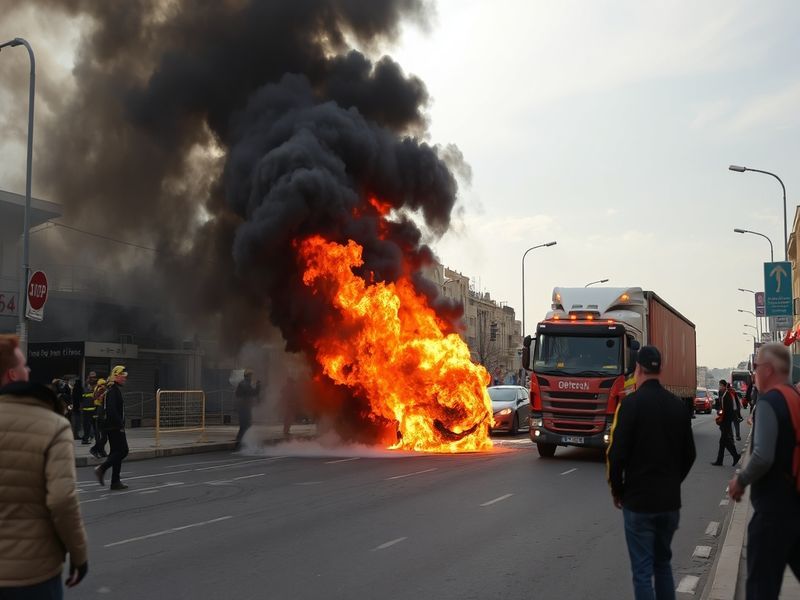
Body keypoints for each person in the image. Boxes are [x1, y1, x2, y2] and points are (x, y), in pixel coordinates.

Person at [0, 334, 89, 595]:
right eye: (24, 365)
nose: (29, 370)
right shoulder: (53, 425)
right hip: (32, 574)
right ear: (13, 375)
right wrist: (79, 554)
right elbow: (62, 500)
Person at [607, 345, 696, 600]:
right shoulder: (677, 407)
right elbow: (689, 454)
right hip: (669, 504)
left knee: (643, 571)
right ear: (661, 369)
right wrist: (672, 482)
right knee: (662, 564)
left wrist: (618, 490)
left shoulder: (631, 405)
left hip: (638, 503)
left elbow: (616, 454)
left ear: (638, 369)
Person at [728, 343, 800, 599]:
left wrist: (740, 480)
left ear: (768, 370)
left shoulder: (770, 402)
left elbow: (762, 455)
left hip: (772, 513)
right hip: (795, 507)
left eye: (755, 367)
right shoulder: (795, 398)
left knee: (760, 589)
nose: (753, 373)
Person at [94, 365, 129, 490]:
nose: (125, 378)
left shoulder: (112, 389)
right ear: (116, 376)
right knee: (123, 451)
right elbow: (112, 410)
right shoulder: (112, 390)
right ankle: (101, 469)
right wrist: (120, 425)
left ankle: (115, 481)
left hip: (111, 426)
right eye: (123, 376)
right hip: (114, 426)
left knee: (116, 452)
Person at [712, 380, 741, 466]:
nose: (720, 387)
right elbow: (721, 408)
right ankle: (732, 457)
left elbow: (728, 411)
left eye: (721, 385)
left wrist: (722, 420)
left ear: (725, 386)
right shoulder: (722, 395)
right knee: (724, 441)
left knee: (723, 441)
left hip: (726, 422)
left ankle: (731, 457)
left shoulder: (727, 396)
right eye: (719, 385)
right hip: (724, 422)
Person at [235, 369, 261, 450]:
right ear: (247, 376)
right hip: (244, 408)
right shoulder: (244, 384)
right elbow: (253, 393)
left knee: (245, 426)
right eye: (250, 375)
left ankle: (240, 443)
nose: (251, 377)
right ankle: (240, 443)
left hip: (244, 407)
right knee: (245, 425)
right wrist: (258, 386)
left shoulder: (244, 383)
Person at [90, 377, 108, 459]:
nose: (105, 386)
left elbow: (94, 398)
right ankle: (95, 450)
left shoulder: (97, 388)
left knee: (102, 435)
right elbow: (97, 398)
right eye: (104, 384)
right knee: (102, 435)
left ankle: (101, 451)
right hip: (100, 412)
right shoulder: (101, 389)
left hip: (97, 411)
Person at [80, 371, 98, 445]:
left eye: (94, 377)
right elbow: (82, 397)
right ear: (88, 377)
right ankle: (85, 439)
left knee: (95, 426)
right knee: (86, 426)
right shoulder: (85, 386)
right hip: (85, 410)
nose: (92, 379)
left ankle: (97, 440)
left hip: (94, 410)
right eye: (91, 377)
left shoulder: (97, 386)